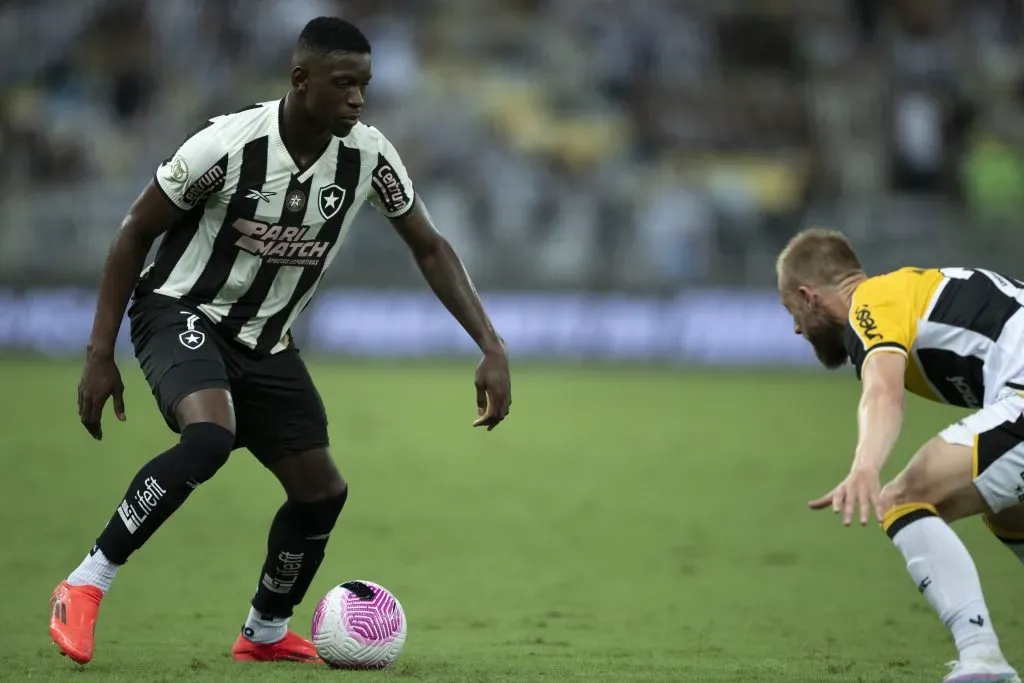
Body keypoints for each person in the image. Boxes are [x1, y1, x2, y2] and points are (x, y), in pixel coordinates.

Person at [50, 17, 512, 666]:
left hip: (265, 340)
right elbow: (133, 232)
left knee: (321, 490)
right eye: (344, 83)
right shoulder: (226, 148)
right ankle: (85, 581)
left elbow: (430, 247)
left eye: (365, 85)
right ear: (301, 80)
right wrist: (100, 353)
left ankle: (264, 629)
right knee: (210, 438)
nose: (358, 98)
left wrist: (491, 344)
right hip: (179, 309)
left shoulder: (368, 157)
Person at [776, 228, 1021, 683]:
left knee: (903, 499)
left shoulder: (872, 301)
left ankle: (982, 659)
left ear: (808, 297)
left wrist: (865, 466)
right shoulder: (916, 292)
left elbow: (883, 392)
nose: (795, 328)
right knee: (1009, 510)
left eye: (790, 310)